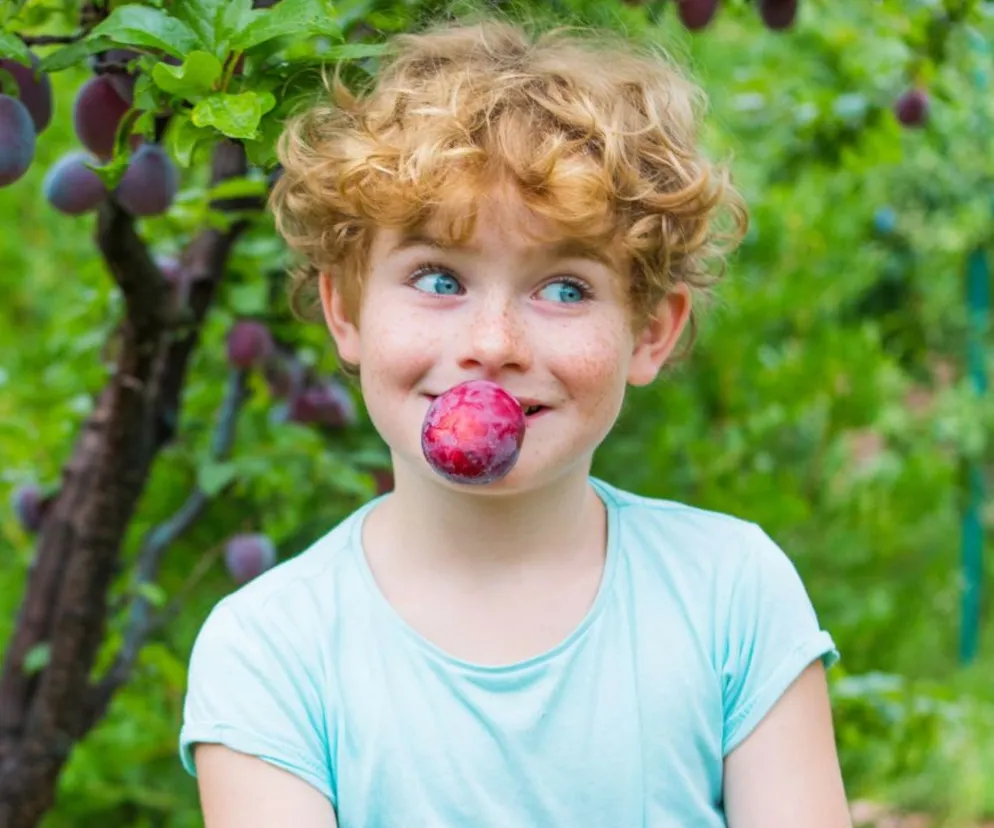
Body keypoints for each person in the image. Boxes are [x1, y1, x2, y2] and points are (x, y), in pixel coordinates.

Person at [179, 14, 852, 828]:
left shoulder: (731, 595)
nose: (493, 343)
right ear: (346, 311)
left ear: (649, 332)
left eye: (565, 289)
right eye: (438, 279)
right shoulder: (270, 650)